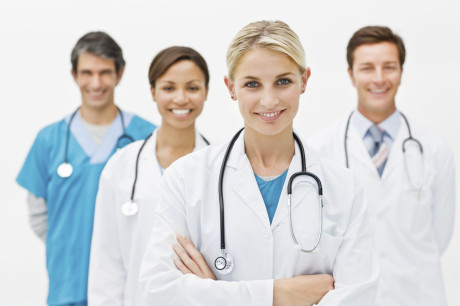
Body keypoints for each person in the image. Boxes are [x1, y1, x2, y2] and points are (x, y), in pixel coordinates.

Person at [139, 20, 378, 305]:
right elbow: (158, 292)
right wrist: (278, 294)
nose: (268, 100)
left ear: (304, 81)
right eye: (252, 84)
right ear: (231, 87)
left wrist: (214, 294)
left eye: (283, 81)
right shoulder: (186, 179)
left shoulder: (343, 187)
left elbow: (357, 297)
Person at [309, 26, 456, 305]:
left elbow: (441, 234)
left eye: (389, 67)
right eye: (367, 68)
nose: (379, 78)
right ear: (351, 74)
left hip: (418, 296)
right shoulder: (320, 150)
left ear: (401, 72)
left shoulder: (434, 149)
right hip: (352, 297)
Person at [16, 32, 155, 306]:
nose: (95, 83)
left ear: (120, 73)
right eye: (87, 73)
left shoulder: (147, 137)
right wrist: (69, 245)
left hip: (130, 287)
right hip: (69, 283)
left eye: (104, 73)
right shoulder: (49, 139)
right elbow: (38, 215)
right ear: (74, 75)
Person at [88, 46, 210, 306]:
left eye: (192, 87)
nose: (180, 98)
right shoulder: (121, 166)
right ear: (153, 92)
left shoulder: (221, 169)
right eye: (168, 88)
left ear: (206, 92)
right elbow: (106, 263)